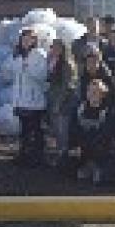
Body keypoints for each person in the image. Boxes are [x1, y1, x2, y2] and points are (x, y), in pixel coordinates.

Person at [1, 28, 48, 167]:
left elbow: (42, 76)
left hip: (34, 101)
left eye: (29, 39)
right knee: (24, 130)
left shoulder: (39, 54)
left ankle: (38, 156)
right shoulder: (18, 55)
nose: (26, 42)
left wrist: (27, 67)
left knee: (36, 130)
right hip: (20, 99)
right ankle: (24, 155)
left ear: (34, 40)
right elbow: (10, 72)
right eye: (24, 39)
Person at [72, 79, 113, 184]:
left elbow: (104, 136)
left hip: (99, 150)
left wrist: (85, 149)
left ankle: (95, 168)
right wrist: (76, 147)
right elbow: (73, 131)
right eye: (90, 91)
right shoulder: (79, 109)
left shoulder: (107, 112)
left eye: (96, 91)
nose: (92, 94)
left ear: (102, 94)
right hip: (81, 148)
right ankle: (85, 167)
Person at [46, 38, 77, 167]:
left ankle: (64, 157)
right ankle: (59, 155)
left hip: (63, 102)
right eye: (53, 47)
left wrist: (58, 103)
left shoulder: (67, 64)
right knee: (57, 131)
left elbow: (66, 86)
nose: (55, 49)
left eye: (58, 47)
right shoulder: (52, 62)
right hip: (53, 99)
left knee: (63, 131)